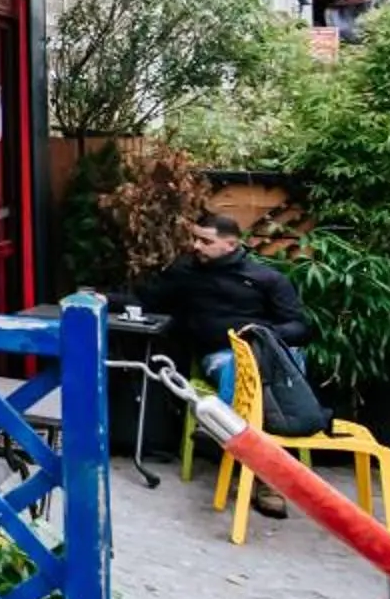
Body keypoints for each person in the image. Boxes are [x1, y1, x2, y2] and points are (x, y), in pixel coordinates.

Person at [131, 213, 314, 517]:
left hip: (269, 356)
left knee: (273, 368)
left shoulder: (267, 278)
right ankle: (266, 477)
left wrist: (259, 335)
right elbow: (144, 300)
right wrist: (99, 299)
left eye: (205, 241)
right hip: (220, 356)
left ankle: (224, 433)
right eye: (195, 238)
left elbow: (301, 328)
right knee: (243, 368)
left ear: (231, 244)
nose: (196, 246)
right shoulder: (185, 273)